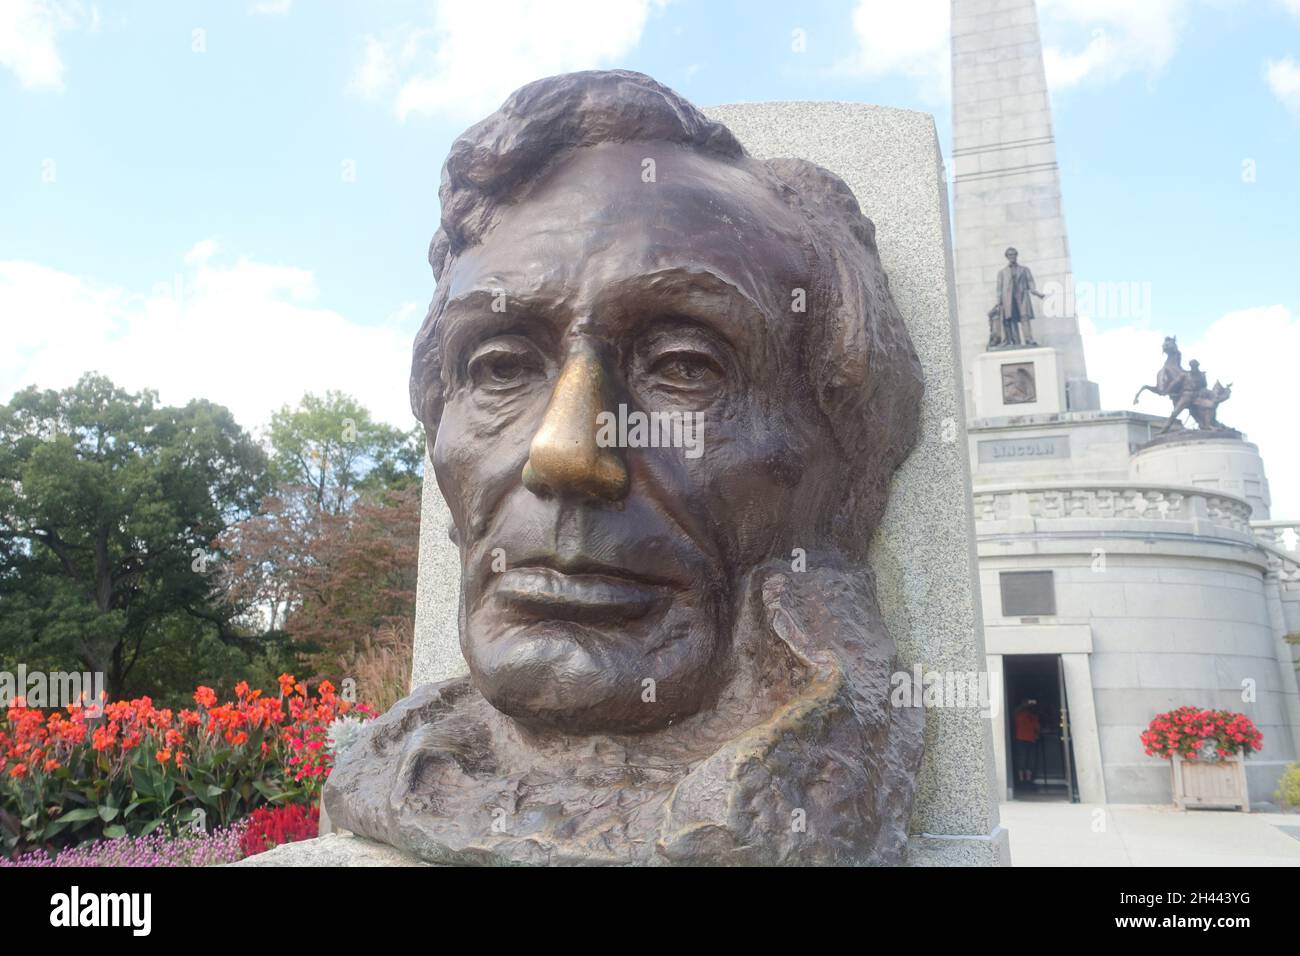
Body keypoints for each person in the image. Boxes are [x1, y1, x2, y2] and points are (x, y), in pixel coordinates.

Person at [1013, 699, 1041, 784]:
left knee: (1030, 760)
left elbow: (1037, 728)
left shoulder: (1033, 716)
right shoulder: (1019, 714)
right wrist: (1024, 704)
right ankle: (1021, 780)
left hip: (1031, 740)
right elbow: (1014, 712)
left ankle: (1028, 780)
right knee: (1022, 759)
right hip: (1021, 739)